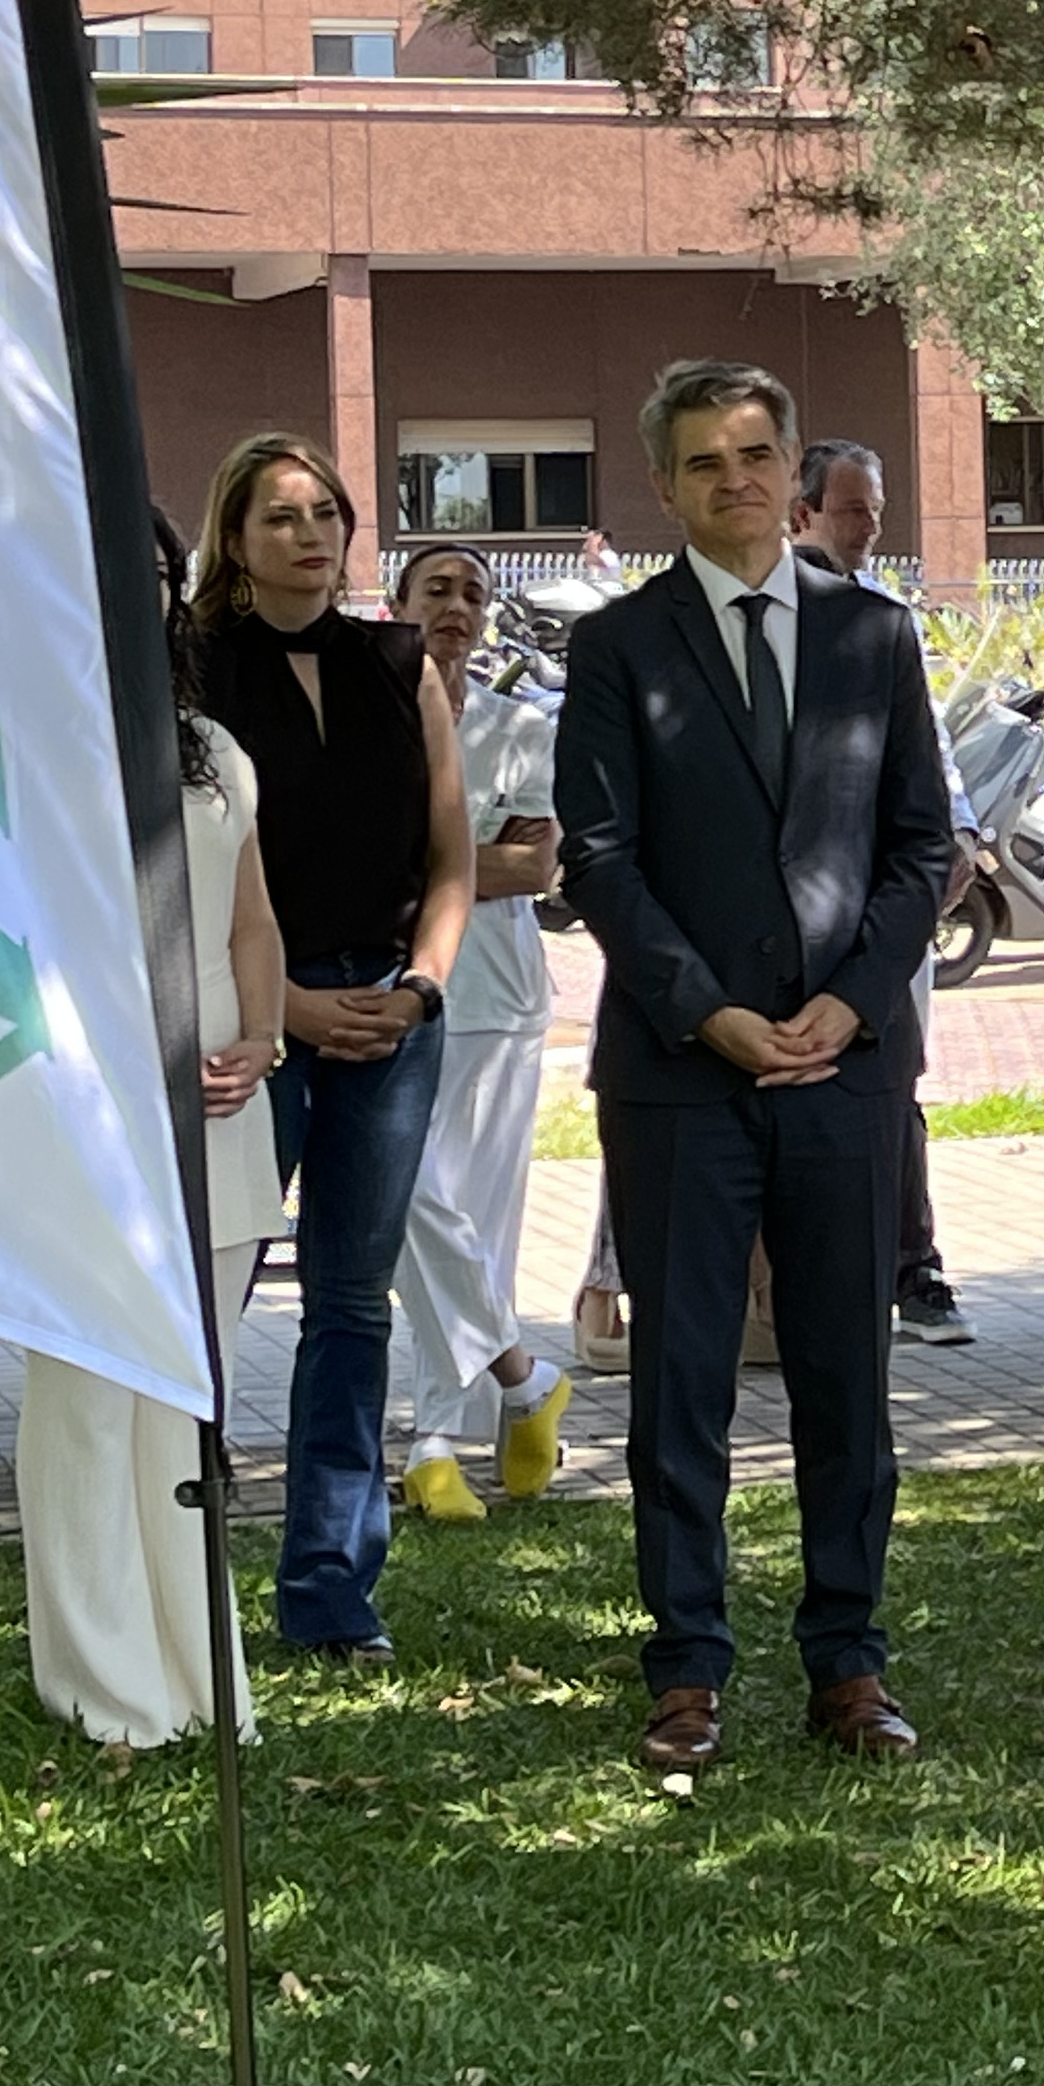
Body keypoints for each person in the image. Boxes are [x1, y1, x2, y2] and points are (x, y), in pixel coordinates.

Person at [558, 359, 958, 1774]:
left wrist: (852, 1007)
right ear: (663, 485)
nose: (736, 479)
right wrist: (708, 1014)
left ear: (796, 471)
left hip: (845, 1073)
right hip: (683, 1070)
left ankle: (848, 1660)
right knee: (682, 1381)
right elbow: (596, 857)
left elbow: (925, 846)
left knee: (849, 1373)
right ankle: (687, 1667)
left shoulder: (878, 635)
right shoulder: (614, 649)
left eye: (756, 453)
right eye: (705, 460)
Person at [189, 432, 473, 1666]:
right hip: (257, 1029)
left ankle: (330, 1594)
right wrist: (285, 1013)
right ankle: (178, 1575)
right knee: (213, 1295)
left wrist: (420, 985)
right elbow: (200, 876)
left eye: (325, 514)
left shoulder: (397, 661)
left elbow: (454, 855)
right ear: (235, 541)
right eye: (278, 517)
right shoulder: (190, 668)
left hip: (394, 1016)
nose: (307, 535)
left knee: (350, 1306)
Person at [16, 510, 292, 1746]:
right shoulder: (17, 748)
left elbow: (251, 923)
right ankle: (100, 1685)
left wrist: (262, 1036)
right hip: (88, 1116)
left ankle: (199, 1676)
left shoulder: (215, 753)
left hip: (222, 1111)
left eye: (154, 577)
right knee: (88, 1397)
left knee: (188, 1399)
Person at [384, 544, 574, 1522]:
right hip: (388, 992)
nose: (457, 607)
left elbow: (533, 871)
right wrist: (474, 857)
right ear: (395, 605)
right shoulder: (370, 728)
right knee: (415, 1199)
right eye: (437, 590)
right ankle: (523, 1380)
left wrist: (405, 867)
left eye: (473, 592)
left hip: (497, 1000)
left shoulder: (519, 729)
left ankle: (432, 1445)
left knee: (478, 1225)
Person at [798, 436, 981, 1350]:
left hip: (887, 919)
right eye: (850, 509)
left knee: (894, 1087)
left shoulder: (887, 621)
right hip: (793, 927)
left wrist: (964, 840)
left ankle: (915, 1269)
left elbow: (935, 766)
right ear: (803, 515)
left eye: (874, 508)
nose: (868, 526)